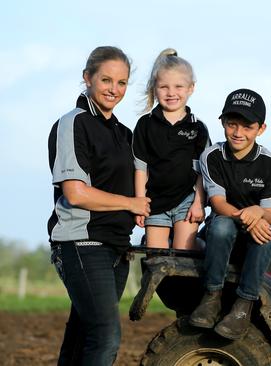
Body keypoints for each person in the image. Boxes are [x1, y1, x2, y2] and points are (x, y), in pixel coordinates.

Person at [47, 46, 151, 365]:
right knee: (106, 337)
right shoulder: (73, 123)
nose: (113, 89)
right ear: (87, 78)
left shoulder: (124, 133)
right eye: (106, 80)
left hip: (117, 248)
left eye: (121, 83)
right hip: (82, 242)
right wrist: (131, 202)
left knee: (82, 338)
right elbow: (76, 193)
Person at [189, 88, 271, 340]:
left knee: (268, 232)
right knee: (221, 227)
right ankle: (212, 296)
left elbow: (269, 213)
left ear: (261, 129)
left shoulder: (270, 163)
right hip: (225, 223)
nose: (238, 133)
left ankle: (244, 305)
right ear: (222, 123)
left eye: (247, 127)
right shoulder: (212, 156)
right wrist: (250, 216)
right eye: (232, 124)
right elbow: (218, 203)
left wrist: (257, 213)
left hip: (256, 227)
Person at [132, 48, 210, 250]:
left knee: (184, 258)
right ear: (154, 88)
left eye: (178, 86)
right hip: (155, 203)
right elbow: (140, 167)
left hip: (187, 202)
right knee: (156, 259)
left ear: (191, 88)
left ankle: (199, 248)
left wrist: (199, 203)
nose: (171, 92)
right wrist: (140, 203)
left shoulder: (197, 128)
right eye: (164, 87)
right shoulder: (145, 125)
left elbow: (204, 171)